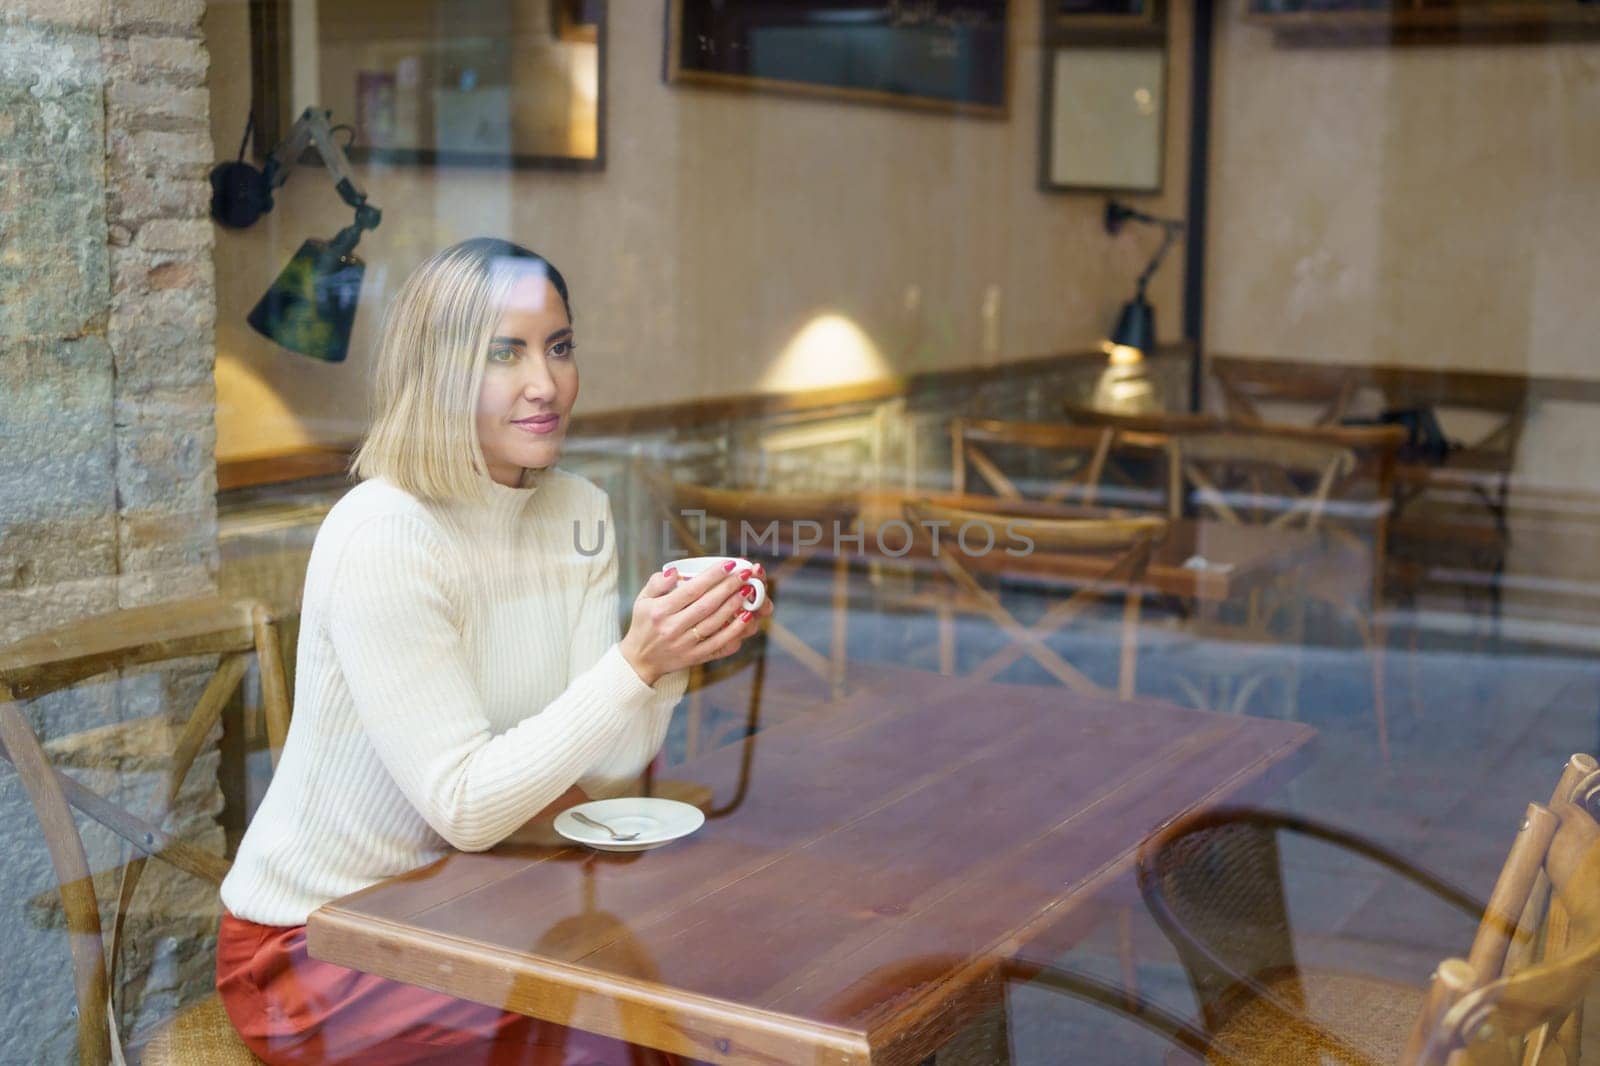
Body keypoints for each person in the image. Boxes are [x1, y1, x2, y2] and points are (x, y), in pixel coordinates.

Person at [216, 237, 769, 1064]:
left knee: (720, 987)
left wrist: (664, 660)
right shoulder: (384, 533)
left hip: (478, 904)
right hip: (322, 941)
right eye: (502, 354)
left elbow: (609, 774)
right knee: (618, 1039)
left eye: (559, 346)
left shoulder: (578, 509)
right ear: (437, 373)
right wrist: (634, 664)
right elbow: (466, 808)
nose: (544, 384)